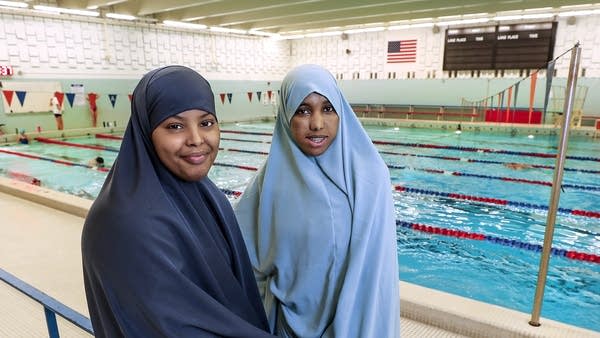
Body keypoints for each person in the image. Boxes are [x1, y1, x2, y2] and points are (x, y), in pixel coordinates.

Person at [81, 65, 273, 337]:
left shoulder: (206, 193)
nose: (196, 140)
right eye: (175, 126)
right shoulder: (121, 223)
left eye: (206, 123)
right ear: (146, 131)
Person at [234, 64, 400, 337]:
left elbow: (375, 277)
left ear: (341, 112)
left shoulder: (369, 178)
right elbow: (242, 258)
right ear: (286, 115)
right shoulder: (268, 182)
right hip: (283, 326)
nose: (317, 124)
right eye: (303, 110)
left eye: (327, 108)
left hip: (350, 328)